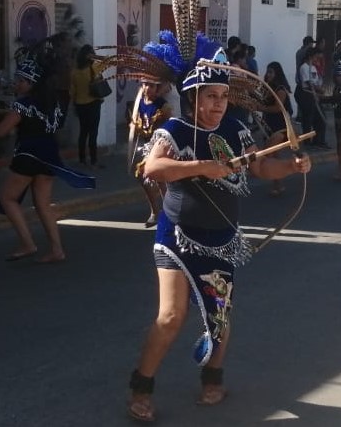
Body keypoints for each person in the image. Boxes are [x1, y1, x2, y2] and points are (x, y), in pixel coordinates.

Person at [126, 52, 312, 422]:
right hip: (178, 237)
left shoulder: (236, 131)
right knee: (171, 316)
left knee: (220, 318)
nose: (218, 104)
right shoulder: (175, 130)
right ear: (193, 97)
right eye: (210, 96)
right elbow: (153, 167)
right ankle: (141, 387)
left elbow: (260, 167)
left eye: (223, 96)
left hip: (222, 238)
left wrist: (292, 166)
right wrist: (201, 167)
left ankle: (213, 380)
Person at [0, 57, 95, 263]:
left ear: (32, 83)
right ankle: (57, 249)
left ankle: (27, 243)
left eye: (21, 81)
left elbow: (1, 131)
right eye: (17, 80)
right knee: (43, 204)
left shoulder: (22, 104)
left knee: (8, 199)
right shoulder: (52, 103)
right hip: (49, 154)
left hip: (28, 155)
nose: (17, 84)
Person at [131, 78, 173, 227]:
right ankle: (155, 211)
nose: (147, 88)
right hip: (144, 144)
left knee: (161, 179)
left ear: (157, 87)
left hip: (159, 145)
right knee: (142, 177)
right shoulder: (138, 104)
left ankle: (168, 212)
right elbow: (134, 124)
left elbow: (170, 127)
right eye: (145, 84)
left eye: (151, 85)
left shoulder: (163, 106)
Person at [260, 61, 294, 196]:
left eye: (271, 72)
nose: (268, 75)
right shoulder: (269, 87)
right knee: (274, 154)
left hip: (280, 126)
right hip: (269, 125)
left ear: (277, 73)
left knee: (270, 153)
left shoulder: (280, 89)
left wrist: (260, 108)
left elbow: (277, 108)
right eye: (267, 72)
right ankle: (277, 184)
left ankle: (280, 179)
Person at [69, 44, 106, 167]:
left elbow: (72, 91)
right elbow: (107, 60)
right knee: (93, 132)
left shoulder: (74, 72)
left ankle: (82, 159)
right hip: (93, 103)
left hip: (80, 105)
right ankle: (94, 160)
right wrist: (94, 56)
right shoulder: (94, 68)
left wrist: (74, 104)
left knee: (83, 132)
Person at [295, 47, 329, 149]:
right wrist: (319, 90)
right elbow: (309, 83)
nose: (317, 60)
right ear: (310, 57)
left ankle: (318, 140)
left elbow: (316, 81)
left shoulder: (313, 67)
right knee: (308, 118)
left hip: (314, 94)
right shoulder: (304, 67)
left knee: (320, 118)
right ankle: (308, 141)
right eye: (315, 58)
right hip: (307, 95)